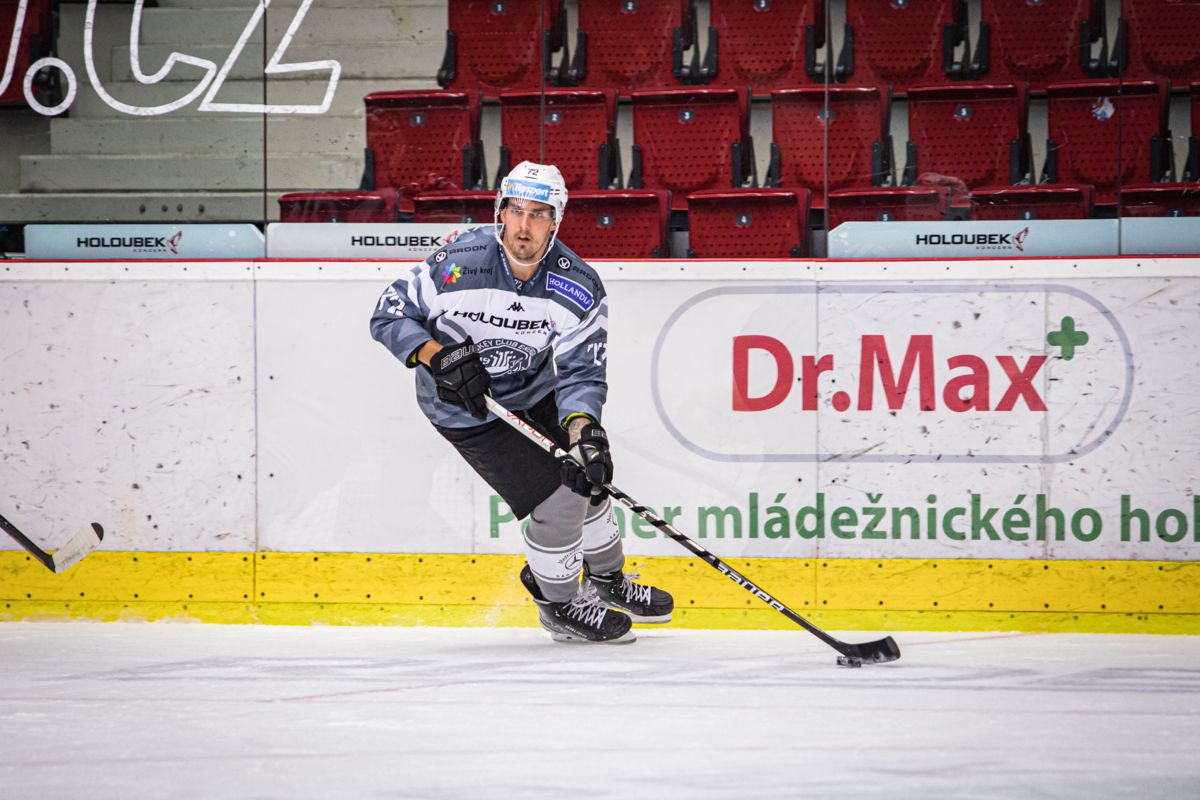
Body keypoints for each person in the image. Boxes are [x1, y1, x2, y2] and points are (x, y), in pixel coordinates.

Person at [370, 161, 673, 644]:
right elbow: (388, 314)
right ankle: (558, 605)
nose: (524, 225)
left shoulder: (577, 286)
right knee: (560, 499)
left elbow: (581, 371)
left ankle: (607, 579)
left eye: (538, 213)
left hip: (534, 391)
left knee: (589, 474)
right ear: (500, 212)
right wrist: (436, 356)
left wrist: (584, 431)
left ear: (556, 221)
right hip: (467, 409)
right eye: (515, 210)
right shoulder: (458, 262)